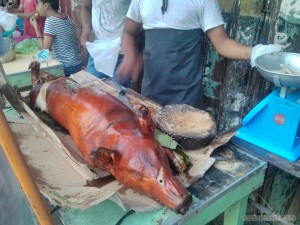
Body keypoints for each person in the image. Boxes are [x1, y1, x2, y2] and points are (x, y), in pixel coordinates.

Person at [116, 0, 283, 108]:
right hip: (150, 95)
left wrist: (255, 52)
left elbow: (222, 43)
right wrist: (131, 53)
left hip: (186, 100)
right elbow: (128, 32)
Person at [80, 0, 131, 87]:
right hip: (97, 51)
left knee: (120, 96)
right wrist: (86, 28)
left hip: (121, 53)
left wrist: (130, 37)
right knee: (91, 90)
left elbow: (139, 15)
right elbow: (85, 7)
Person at [30, 0, 82, 77]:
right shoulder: (67, 17)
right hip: (77, 62)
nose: (37, 7)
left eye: (38, 4)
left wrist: (36, 28)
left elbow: (45, 52)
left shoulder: (51, 21)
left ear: (46, 6)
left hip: (67, 66)